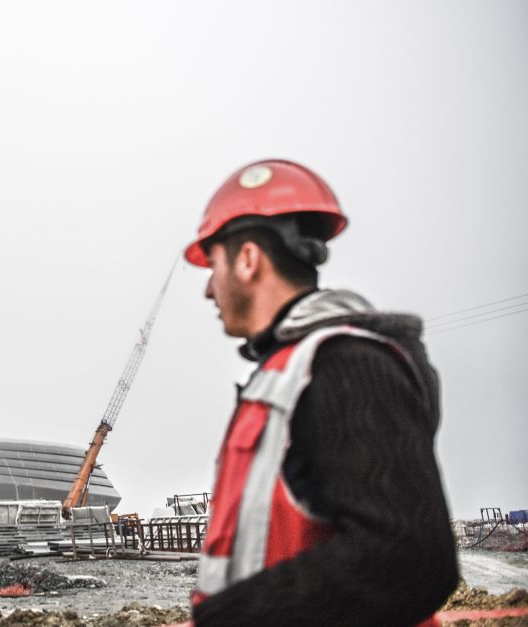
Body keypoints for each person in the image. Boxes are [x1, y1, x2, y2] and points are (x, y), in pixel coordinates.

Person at [183, 159, 458, 626]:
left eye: (213, 264)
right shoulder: (284, 375)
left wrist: (228, 620)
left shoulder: (344, 365)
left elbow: (408, 555)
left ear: (248, 260)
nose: (209, 289)